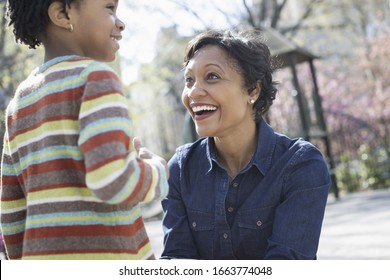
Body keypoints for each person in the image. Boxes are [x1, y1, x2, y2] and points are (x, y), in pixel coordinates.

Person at [0, 0, 169, 260]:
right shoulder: (96, 78)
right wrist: (157, 170)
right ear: (62, 14)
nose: (120, 22)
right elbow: (113, 181)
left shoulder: (18, 104)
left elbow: (11, 211)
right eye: (109, 8)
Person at [161, 29, 331, 260]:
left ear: (253, 90)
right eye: (189, 80)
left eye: (212, 76)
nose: (193, 92)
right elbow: (177, 261)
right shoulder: (180, 169)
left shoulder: (300, 165)